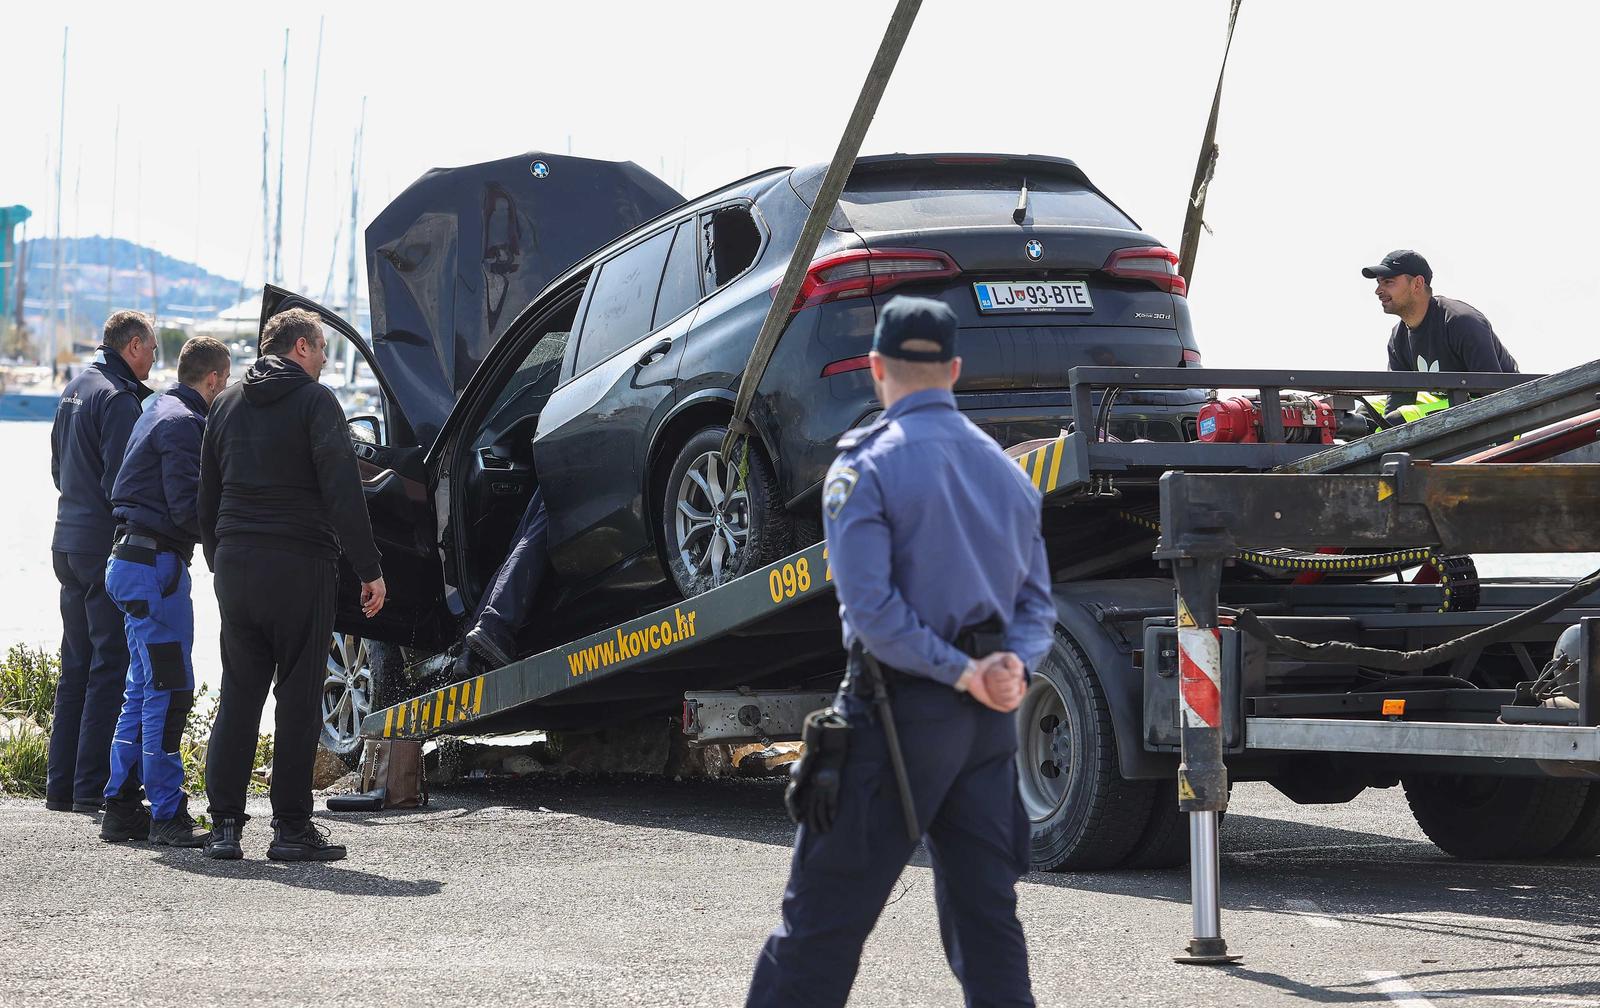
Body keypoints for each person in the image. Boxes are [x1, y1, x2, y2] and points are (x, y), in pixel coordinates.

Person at [745, 296, 1054, 1008]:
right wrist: (1008, 668)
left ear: (876, 367)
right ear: (955, 369)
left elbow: (875, 614)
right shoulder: (1009, 474)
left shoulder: (867, 465)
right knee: (987, 923)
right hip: (985, 729)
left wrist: (962, 672)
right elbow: (1038, 606)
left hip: (895, 716)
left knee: (822, 922)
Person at [198, 308, 385, 862]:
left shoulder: (225, 403)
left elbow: (207, 493)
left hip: (236, 563)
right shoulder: (315, 402)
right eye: (322, 347)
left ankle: (225, 827)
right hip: (300, 563)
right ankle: (291, 829)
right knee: (299, 698)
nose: (325, 359)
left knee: (239, 693)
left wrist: (218, 558)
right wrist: (370, 569)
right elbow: (343, 492)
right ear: (300, 347)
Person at [98, 337, 231, 846]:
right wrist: (231, 532)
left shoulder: (155, 407)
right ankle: (168, 813)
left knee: (141, 687)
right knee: (169, 689)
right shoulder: (185, 423)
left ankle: (121, 806)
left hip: (129, 561)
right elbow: (185, 507)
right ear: (213, 380)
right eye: (226, 382)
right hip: (156, 569)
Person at [47, 310, 154, 814]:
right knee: (109, 664)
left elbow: (57, 468)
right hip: (99, 547)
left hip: (66, 540)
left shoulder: (75, 388)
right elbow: (124, 483)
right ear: (132, 346)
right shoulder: (118, 398)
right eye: (151, 349)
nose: (153, 359)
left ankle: (60, 787)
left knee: (75, 665)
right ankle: (90, 785)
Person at [1363, 249, 1518, 424]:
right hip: (1451, 402)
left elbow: (1494, 397)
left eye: (1388, 282)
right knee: (1365, 414)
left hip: (1503, 412)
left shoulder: (1461, 321)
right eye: (1378, 283)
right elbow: (1399, 400)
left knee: (1400, 418)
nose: (1378, 290)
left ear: (1417, 283)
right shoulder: (1397, 338)